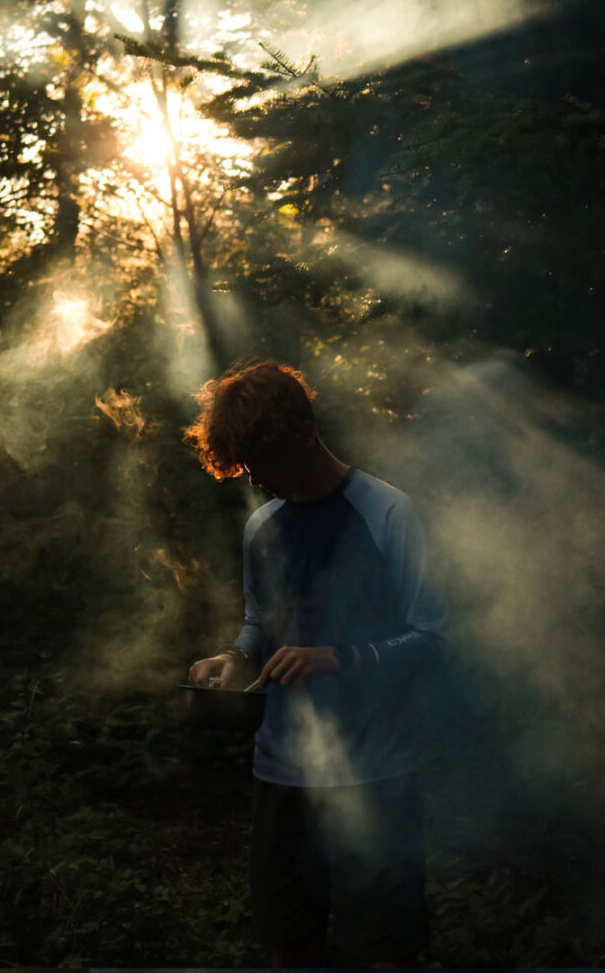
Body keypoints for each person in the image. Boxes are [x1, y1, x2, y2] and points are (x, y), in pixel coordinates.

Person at [184, 359, 446, 969]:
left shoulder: (388, 514)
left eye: (259, 464)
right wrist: (231, 657)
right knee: (293, 945)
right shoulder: (261, 527)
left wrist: (341, 659)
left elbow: (434, 641)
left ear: (299, 437)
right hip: (282, 775)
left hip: (377, 775)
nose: (254, 480)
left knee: (385, 951)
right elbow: (259, 624)